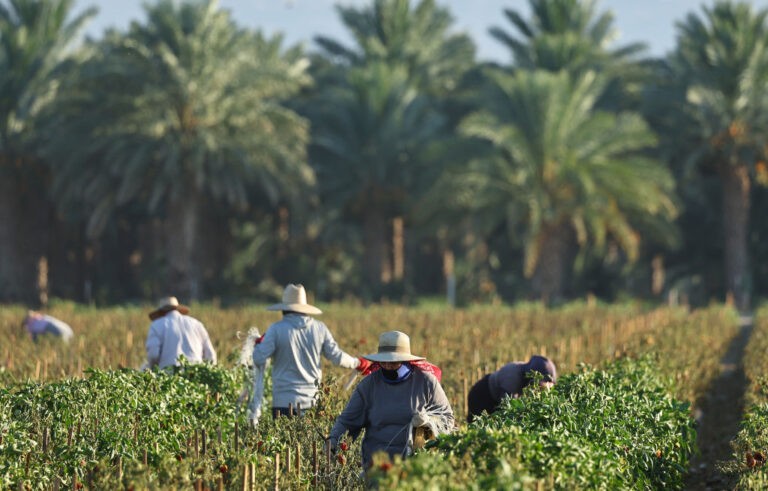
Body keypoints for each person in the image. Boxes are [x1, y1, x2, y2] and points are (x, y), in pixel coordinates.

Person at [327, 330, 454, 469]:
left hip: (416, 466)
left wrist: (428, 423)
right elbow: (348, 421)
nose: (387, 366)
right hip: (377, 465)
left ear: (405, 360)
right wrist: (333, 441)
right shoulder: (369, 385)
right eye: (384, 362)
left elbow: (447, 418)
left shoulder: (426, 382)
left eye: (393, 363)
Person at [252, 283, 370, 418]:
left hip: (283, 402)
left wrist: (259, 345)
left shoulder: (276, 330)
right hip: (312, 402)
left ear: (284, 309)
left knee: (283, 438)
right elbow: (337, 357)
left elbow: (258, 358)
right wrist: (358, 363)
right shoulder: (319, 329)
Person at [466, 355, 557, 423]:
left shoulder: (528, 375)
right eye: (544, 382)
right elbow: (505, 408)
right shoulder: (513, 376)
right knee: (478, 426)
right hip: (482, 396)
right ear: (534, 376)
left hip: (495, 398)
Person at [145, 296, 217, 369]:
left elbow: (153, 355)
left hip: (168, 375)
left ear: (161, 312)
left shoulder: (156, 325)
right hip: (196, 372)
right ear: (177, 309)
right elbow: (211, 356)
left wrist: (153, 370)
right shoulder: (196, 324)